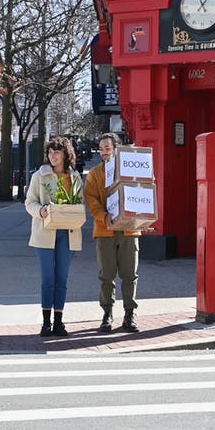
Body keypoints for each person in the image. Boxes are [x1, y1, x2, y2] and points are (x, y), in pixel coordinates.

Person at [25, 136, 84, 338]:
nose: (52, 156)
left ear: (65, 154)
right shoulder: (39, 176)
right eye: (50, 152)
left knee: (62, 278)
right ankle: (45, 323)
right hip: (45, 233)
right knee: (48, 278)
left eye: (56, 152)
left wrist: (76, 214)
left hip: (67, 233)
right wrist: (40, 211)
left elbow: (80, 205)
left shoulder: (75, 177)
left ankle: (59, 322)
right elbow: (29, 202)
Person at [84, 132, 139, 333]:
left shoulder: (130, 168)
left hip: (128, 230)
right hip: (104, 230)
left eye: (107, 148)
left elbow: (144, 186)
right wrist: (102, 216)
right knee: (106, 275)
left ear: (117, 149)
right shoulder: (95, 174)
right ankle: (107, 313)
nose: (104, 153)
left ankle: (129, 314)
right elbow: (90, 199)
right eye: (101, 149)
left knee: (130, 275)